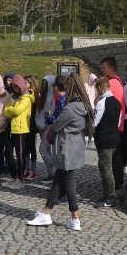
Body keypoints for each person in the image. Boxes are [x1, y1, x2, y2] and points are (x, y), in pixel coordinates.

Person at [26, 73, 94, 231]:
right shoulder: (83, 106)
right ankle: (46, 213)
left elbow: (56, 126)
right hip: (75, 146)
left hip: (66, 148)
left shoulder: (70, 109)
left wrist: (54, 120)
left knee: (69, 183)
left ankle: (75, 217)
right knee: (58, 180)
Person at [3, 73, 34, 190]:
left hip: (21, 129)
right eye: (13, 87)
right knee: (8, 154)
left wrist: (10, 109)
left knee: (19, 155)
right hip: (11, 128)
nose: (15, 89)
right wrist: (11, 110)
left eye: (17, 87)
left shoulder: (26, 98)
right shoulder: (13, 97)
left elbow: (16, 110)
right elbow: (6, 111)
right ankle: (14, 176)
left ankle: (21, 179)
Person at [93, 77, 120, 208]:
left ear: (99, 88)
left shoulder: (102, 103)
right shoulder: (117, 102)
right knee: (103, 166)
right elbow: (118, 122)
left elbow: (94, 122)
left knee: (106, 169)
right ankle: (106, 194)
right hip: (115, 138)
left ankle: (110, 197)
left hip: (104, 139)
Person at [101, 56, 125, 190]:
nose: (102, 70)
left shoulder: (112, 83)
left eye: (104, 68)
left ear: (111, 68)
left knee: (112, 160)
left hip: (113, 126)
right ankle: (117, 184)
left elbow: (108, 106)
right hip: (118, 125)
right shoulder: (118, 82)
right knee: (116, 158)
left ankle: (113, 187)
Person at [34, 76, 56, 181]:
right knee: (47, 150)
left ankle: (53, 173)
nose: (43, 85)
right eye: (43, 83)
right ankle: (51, 174)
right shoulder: (43, 95)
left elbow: (49, 113)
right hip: (41, 125)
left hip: (48, 126)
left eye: (45, 83)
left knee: (42, 149)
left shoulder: (51, 97)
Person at [23, 74, 39, 179]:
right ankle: (26, 168)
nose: (24, 84)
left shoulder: (31, 93)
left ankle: (33, 170)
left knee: (31, 147)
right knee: (25, 148)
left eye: (26, 82)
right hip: (25, 122)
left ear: (30, 83)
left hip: (31, 123)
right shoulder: (25, 93)